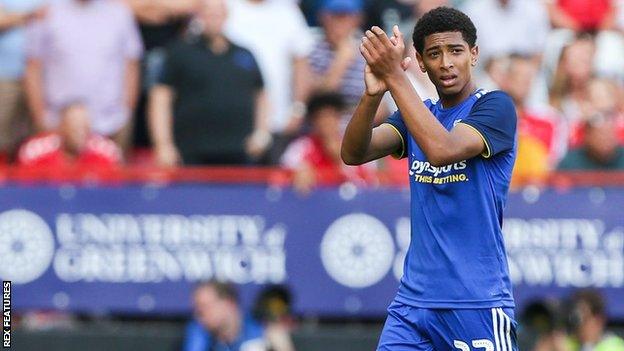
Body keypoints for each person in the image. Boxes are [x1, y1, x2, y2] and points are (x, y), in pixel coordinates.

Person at [341, 7, 518, 350]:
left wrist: (395, 78)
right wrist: (373, 93)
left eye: (456, 51)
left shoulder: (495, 108)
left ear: (474, 55)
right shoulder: (417, 115)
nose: (446, 62)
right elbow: (354, 153)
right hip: (412, 305)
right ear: (420, 62)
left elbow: (441, 148)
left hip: (477, 301)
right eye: (434, 54)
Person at [149, 0, 270, 166]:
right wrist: (163, 144)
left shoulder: (245, 54)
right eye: (208, 12)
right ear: (199, 16)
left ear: (226, 15)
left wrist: (262, 132)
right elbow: (161, 97)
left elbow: (261, 94)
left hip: (240, 152)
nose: (214, 17)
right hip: (191, 153)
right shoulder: (180, 52)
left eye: (218, 12)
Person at [24, 0, 143, 150]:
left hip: (111, 122)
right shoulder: (46, 12)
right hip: (57, 124)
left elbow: (131, 64)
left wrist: (125, 114)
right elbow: (33, 66)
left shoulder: (120, 13)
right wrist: (41, 118)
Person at [224, 0, 313, 163]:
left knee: (277, 183)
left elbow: (302, 63)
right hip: (232, 121)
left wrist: (298, 109)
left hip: (279, 119)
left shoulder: (287, 11)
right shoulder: (226, 6)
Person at [281, 92, 374, 194]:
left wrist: (340, 161)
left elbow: (367, 183)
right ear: (313, 121)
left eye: (332, 116)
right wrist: (299, 174)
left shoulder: (354, 146)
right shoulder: (300, 147)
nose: (327, 122)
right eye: (322, 117)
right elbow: (284, 178)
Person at [0, 0, 46, 158]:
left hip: (44, 77)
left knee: (39, 139)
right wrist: (31, 15)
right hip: (6, 74)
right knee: (3, 136)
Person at [17, 102, 122, 169]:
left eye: (83, 128)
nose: (79, 134)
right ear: (61, 128)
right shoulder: (35, 153)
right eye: (74, 128)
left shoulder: (106, 153)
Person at [182, 281, 266, 351]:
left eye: (205, 306)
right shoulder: (198, 332)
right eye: (197, 309)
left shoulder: (261, 332)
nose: (199, 314)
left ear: (229, 303)